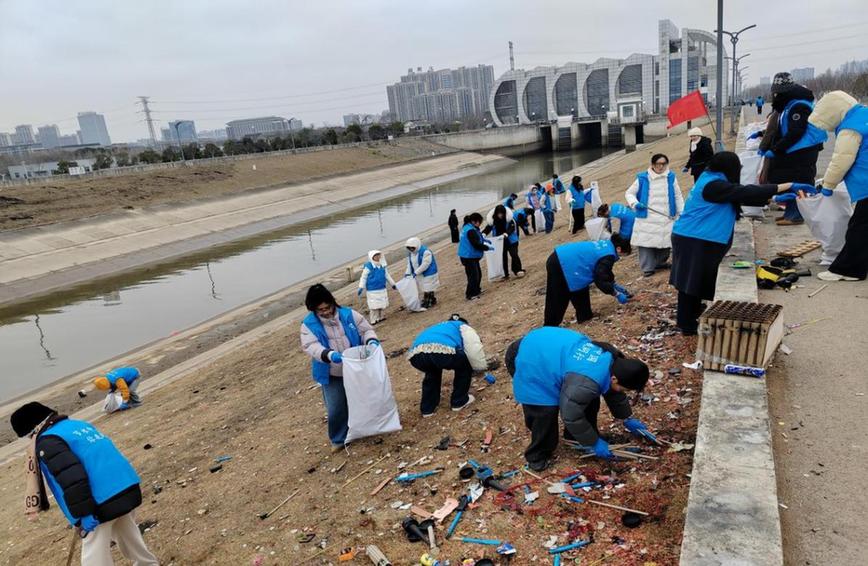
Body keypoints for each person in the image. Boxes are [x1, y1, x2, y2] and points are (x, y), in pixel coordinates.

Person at [671, 152, 804, 334]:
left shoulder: (714, 179)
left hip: (696, 238)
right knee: (690, 283)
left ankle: (692, 315)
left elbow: (739, 195)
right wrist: (786, 186)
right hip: (694, 239)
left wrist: (774, 199)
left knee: (696, 281)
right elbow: (744, 191)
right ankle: (686, 325)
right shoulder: (713, 184)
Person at [11, 401, 159, 566]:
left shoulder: (48, 442)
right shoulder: (76, 425)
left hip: (99, 502)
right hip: (126, 486)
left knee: (93, 555)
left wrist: (84, 513)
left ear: (32, 430)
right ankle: (148, 564)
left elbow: (72, 479)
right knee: (127, 533)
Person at [505, 328, 650, 471]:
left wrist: (625, 417)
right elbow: (571, 414)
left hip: (547, 346)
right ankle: (537, 454)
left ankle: (575, 437)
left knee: (589, 399)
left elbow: (613, 390)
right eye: (624, 389)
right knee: (544, 412)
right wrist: (593, 442)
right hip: (528, 358)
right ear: (614, 378)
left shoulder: (613, 360)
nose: (623, 392)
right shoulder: (585, 381)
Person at [300, 284, 379, 447]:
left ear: (332, 302)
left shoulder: (348, 315)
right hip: (331, 373)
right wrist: (329, 355)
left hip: (355, 369)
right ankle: (338, 439)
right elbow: (311, 346)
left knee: (360, 400)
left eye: (327, 307)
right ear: (314, 309)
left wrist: (372, 341)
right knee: (336, 407)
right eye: (320, 310)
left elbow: (366, 330)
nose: (325, 312)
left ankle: (363, 429)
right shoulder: (308, 324)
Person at [808, 90, 868, 281]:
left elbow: (842, 161)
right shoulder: (863, 114)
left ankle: (848, 270)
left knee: (859, 226)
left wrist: (828, 185)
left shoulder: (851, 128)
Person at [764, 82, 827, 225]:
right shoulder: (790, 106)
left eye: (777, 95)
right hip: (796, 150)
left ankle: (796, 215)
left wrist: (777, 149)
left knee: (798, 180)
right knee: (789, 179)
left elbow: (796, 132)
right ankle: (790, 211)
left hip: (803, 151)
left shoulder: (799, 106)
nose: (775, 98)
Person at [407, 314, 488, 417]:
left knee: (432, 372)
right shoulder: (462, 326)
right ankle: (459, 401)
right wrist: (480, 368)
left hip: (416, 354)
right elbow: (474, 348)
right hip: (442, 350)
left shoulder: (441, 326)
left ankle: (427, 409)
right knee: (464, 365)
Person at [543, 235, 633, 327]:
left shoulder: (607, 246)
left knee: (580, 286)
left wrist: (613, 283)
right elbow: (600, 280)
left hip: (571, 262)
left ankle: (585, 316)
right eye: (623, 255)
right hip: (561, 262)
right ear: (618, 249)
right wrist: (616, 294)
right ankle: (550, 326)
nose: (621, 257)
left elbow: (604, 272)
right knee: (559, 295)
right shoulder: (609, 255)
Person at [626, 153, 685, 277]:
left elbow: (677, 195)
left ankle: (660, 262)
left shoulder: (671, 177)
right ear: (652, 165)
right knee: (646, 242)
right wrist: (635, 203)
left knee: (665, 241)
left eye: (664, 164)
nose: (661, 166)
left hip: (666, 216)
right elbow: (629, 193)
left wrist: (681, 212)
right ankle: (647, 267)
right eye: (658, 164)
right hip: (647, 216)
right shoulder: (642, 178)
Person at [758, 72, 795, 184]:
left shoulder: (793, 107)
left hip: (788, 156)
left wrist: (768, 148)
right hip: (787, 154)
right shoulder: (789, 106)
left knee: (782, 185)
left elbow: (773, 130)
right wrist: (761, 133)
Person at [483, 204, 526, 279]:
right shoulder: (493, 220)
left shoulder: (510, 219)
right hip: (499, 242)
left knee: (514, 254)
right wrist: (483, 234)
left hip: (511, 240)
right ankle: (505, 274)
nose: (500, 215)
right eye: (498, 213)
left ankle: (517, 270)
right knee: (503, 257)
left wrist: (506, 234)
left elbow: (511, 228)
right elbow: (488, 228)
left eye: (501, 213)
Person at [457, 212, 491, 301]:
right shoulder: (470, 230)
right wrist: (486, 247)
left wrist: (483, 240)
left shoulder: (469, 227)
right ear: (474, 221)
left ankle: (476, 290)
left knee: (478, 273)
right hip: (468, 256)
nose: (479, 224)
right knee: (473, 275)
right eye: (479, 222)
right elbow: (475, 244)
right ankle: (470, 294)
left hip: (470, 255)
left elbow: (477, 237)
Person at [358, 250, 398, 324]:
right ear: (372, 257)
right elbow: (363, 277)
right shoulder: (369, 266)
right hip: (372, 290)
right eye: (375, 256)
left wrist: (393, 284)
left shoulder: (382, 265)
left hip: (382, 288)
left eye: (378, 255)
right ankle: (373, 319)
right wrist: (361, 287)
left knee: (382, 304)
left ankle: (381, 317)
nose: (377, 257)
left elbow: (387, 275)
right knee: (374, 306)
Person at [405, 237, 440, 308]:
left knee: (428, 287)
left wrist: (416, 273)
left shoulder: (425, 252)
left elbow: (425, 264)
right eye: (409, 248)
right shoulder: (411, 254)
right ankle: (431, 299)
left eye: (412, 248)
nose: (411, 249)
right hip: (420, 274)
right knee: (424, 287)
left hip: (429, 273)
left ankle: (428, 300)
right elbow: (409, 264)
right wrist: (407, 273)